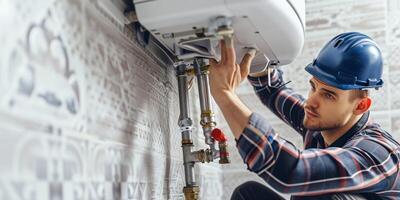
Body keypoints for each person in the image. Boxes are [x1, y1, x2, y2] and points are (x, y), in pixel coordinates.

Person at [208, 32, 400, 199]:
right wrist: (254, 55)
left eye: (328, 95)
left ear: (360, 106)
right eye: (313, 87)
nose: (311, 102)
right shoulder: (322, 120)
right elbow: (273, 91)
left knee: (319, 190)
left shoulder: (378, 154)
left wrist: (224, 93)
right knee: (248, 194)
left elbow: (291, 170)